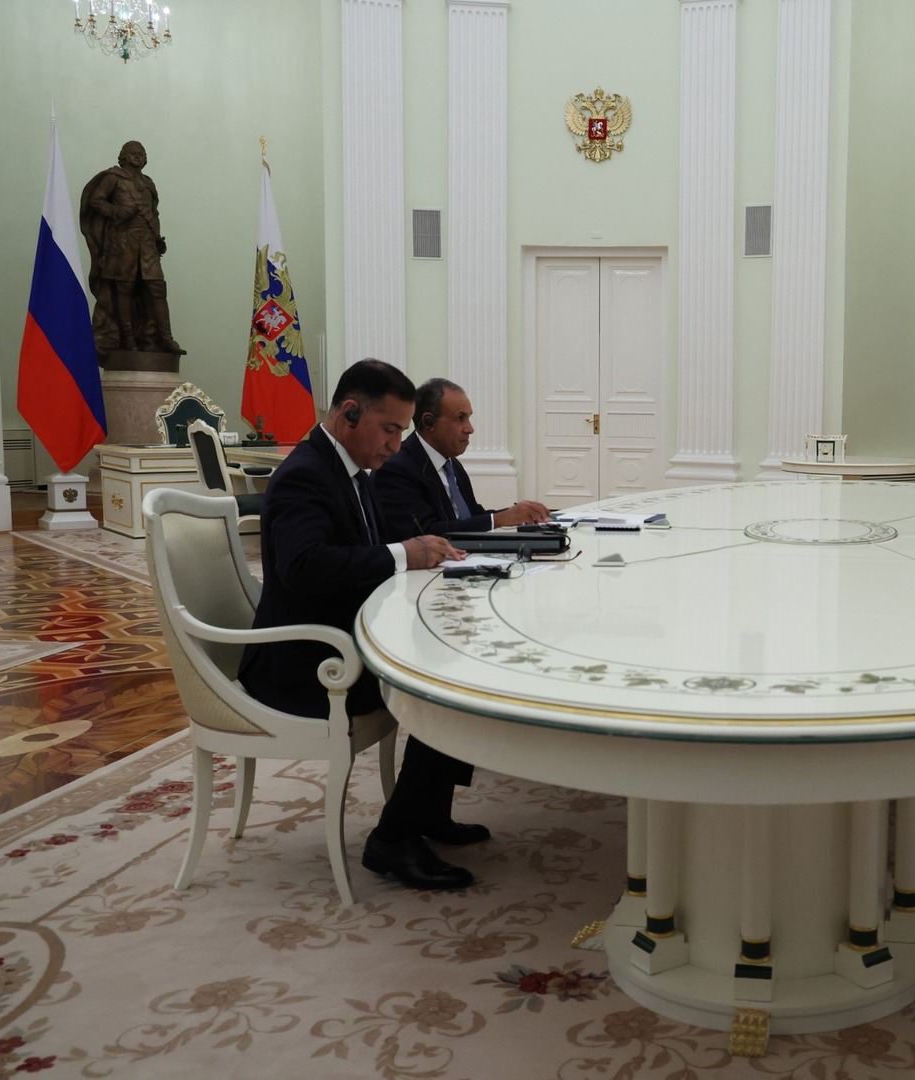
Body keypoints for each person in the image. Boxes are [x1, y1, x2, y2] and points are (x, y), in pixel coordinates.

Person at [238, 359, 483, 892]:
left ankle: (428, 813)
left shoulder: (350, 468)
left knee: (455, 660)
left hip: (338, 638)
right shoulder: (305, 475)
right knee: (445, 689)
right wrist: (401, 554)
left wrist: (411, 551)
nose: (397, 444)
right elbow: (305, 568)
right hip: (303, 662)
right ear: (349, 413)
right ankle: (393, 838)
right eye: (390, 429)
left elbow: (362, 552)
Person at [376, 378, 551, 537]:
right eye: (460, 418)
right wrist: (498, 519)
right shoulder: (397, 469)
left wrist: (518, 513)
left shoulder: (452, 464)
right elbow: (422, 534)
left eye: (468, 418)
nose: (470, 429)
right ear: (429, 422)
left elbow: (472, 517)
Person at [79, 141, 184, 357]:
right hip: (123, 241)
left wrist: (157, 238)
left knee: (157, 287)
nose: (137, 156)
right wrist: (116, 212)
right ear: (123, 156)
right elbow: (96, 200)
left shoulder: (148, 183)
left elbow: (154, 213)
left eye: (141, 153)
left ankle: (165, 338)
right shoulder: (113, 178)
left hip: (147, 243)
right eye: (133, 153)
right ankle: (127, 339)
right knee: (124, 289)